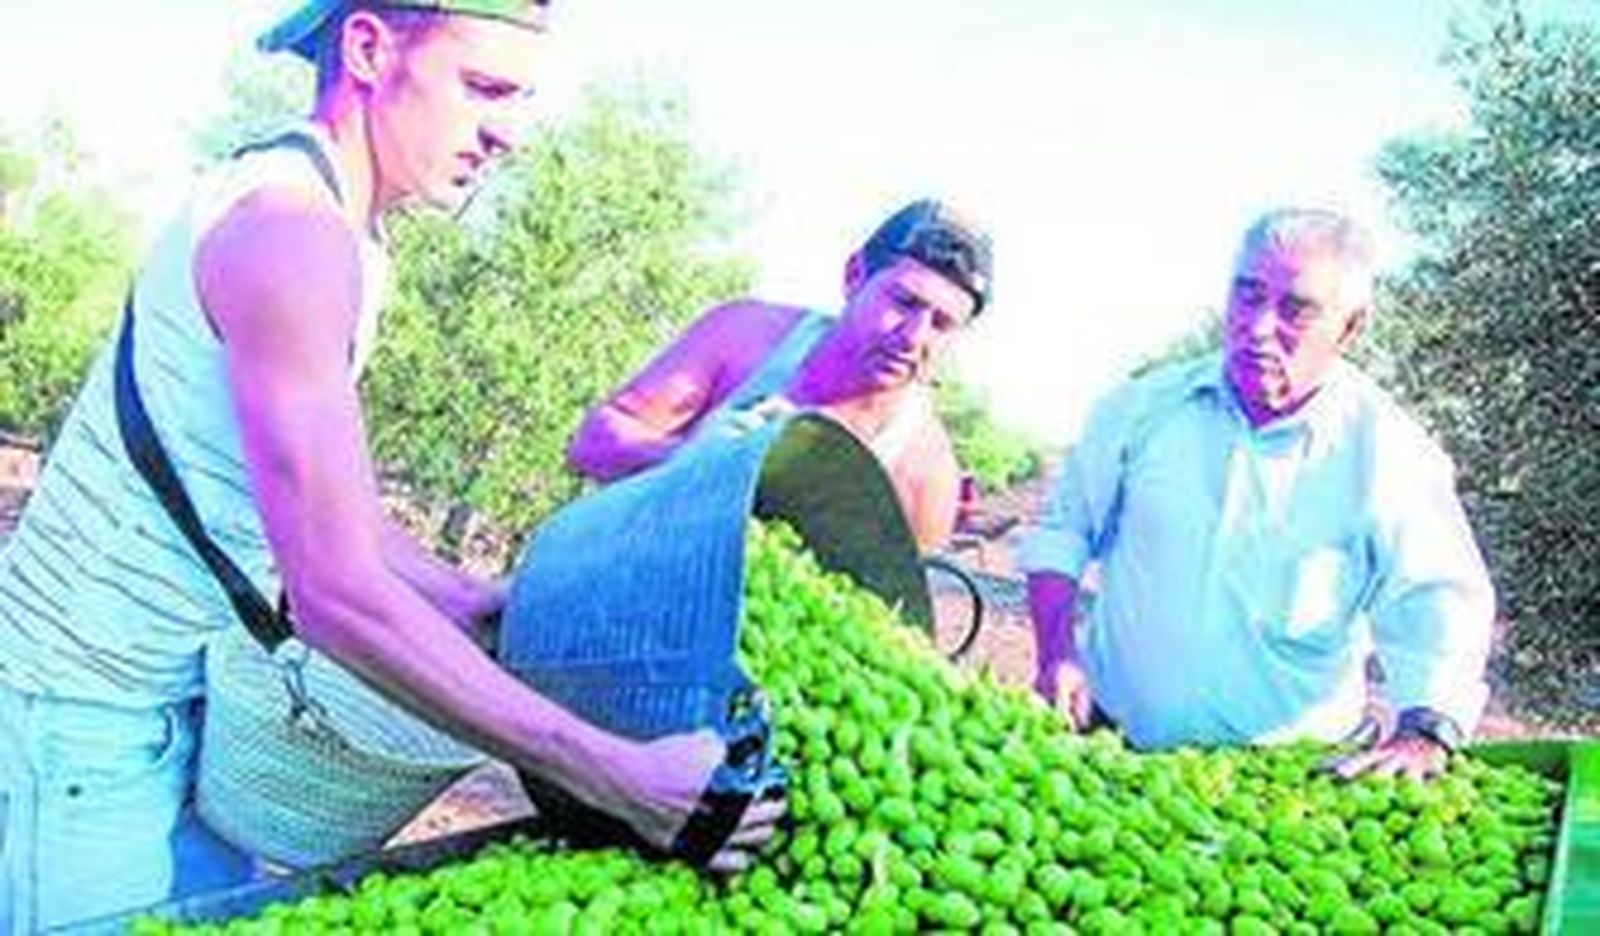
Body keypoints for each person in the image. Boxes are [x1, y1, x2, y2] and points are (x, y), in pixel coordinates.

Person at [0, 2, 778, 929]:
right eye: (483, 88)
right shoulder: (290, 230)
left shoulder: (348, 237)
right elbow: (335, 593)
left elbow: (342, 516)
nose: (508, 133)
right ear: (368, 48)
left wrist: (476, 602)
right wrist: (619, 777)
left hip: (176, 707)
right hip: (79, 717)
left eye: (519, 100)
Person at [1019, 207, 1495, 781]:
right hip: (1110, 753)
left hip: (1285, 789)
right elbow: (1065, 529)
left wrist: (1425, 731)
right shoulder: (1140, 411)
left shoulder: (1390, 453)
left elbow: (1441, 597)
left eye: (1296, 309)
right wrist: (1056, 654)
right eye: (1247, 296)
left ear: (1350, 328)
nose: (1259, 326)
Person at [566, 199, 993, 551]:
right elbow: (592, 444)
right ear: (854, 277)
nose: (913, 337)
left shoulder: (924, 472)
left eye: (942, 324)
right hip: (621, 572)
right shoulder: (746, 335)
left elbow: (890, 607)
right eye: (903, 302)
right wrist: (700, 465)